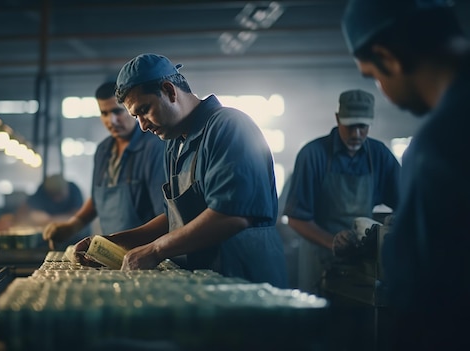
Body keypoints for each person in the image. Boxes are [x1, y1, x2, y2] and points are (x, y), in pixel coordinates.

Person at [74, 53, 287, 286]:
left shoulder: (229, 127)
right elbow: (173, 219)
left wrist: (155, 250)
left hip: (246, 281)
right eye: (136, 117)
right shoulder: (174, 143)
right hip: (205, 283)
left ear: (169, 90)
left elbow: (231, 215)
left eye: (144, 110)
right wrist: (110, 242)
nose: (143, 126)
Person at [342, 0, 470, 349]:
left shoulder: (439, 145)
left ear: (388, 58)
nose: (382, 88)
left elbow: (428, 297)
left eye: (374, 75)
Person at [283, 89, 401, 294]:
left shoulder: (379, 155)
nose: (356, 134)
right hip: (320, 261)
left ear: (371, 122)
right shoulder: (313, 155)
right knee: (320, 322)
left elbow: (406, 202)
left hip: (363, 263)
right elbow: (296, 218)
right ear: (338, 119)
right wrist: (332, 242)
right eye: (350, 126)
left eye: (362, 127)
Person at [41, 81, 165, 250]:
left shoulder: (154, 147)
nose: (111, 120)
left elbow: (165, 216)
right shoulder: (103, 150)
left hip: (147, 252)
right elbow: (97, 198)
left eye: (117, 111)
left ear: (132, 109)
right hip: (112, 253)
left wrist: (119, 242)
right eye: (104, 113)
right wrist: (72, 225)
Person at [16, 174, 88, 250]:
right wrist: (15, 219)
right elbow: (25, 208)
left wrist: (51, 220)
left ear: (66, 188)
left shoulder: (74, 190)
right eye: (53, 195)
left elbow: (78, 216)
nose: (56, 199)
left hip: (76, 237)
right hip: (49, 240)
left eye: (59, 194)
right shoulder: (42, 190)